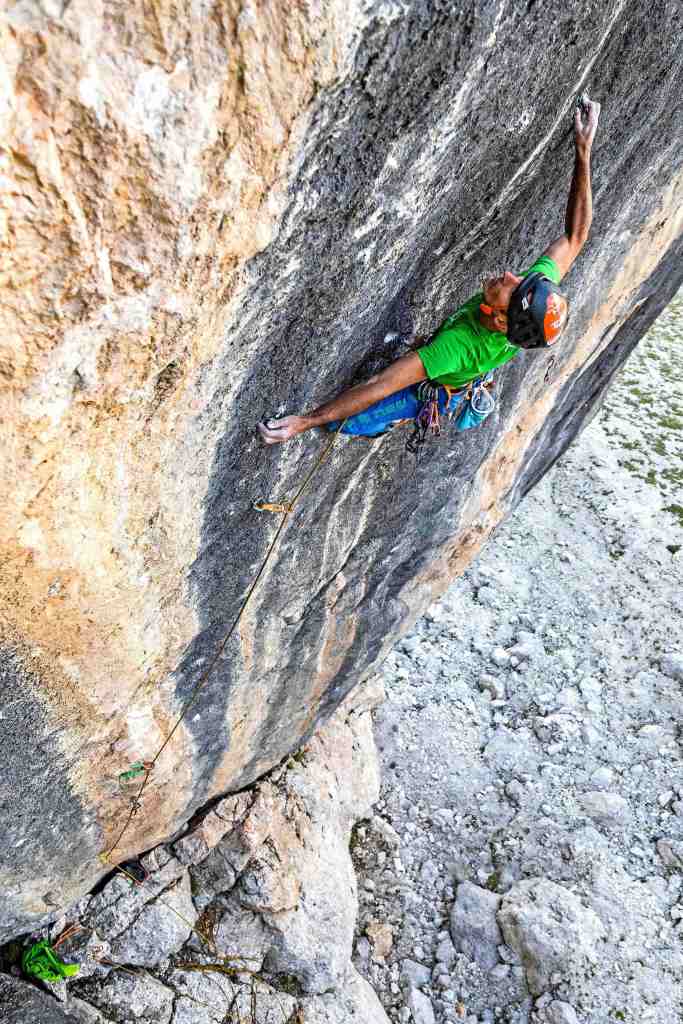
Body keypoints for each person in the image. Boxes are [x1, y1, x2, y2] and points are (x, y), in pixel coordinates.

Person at [259, 94, 601, 446]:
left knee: (342, 422)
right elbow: (576, 236)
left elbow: (379, 385)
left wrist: (306, 421)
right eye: (521, 279)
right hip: (462, 362)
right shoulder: (523, 312)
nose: (511, 276)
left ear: (502, 321)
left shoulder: (458, 346)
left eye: (513, 288)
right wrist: (583, 149)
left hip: (441, 381)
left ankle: (382, 422)